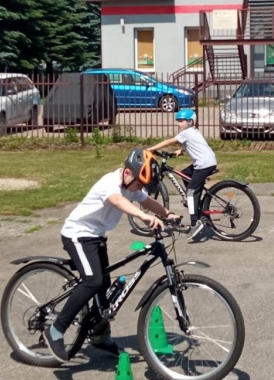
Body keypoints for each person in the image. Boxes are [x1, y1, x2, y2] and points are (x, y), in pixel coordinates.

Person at [44, 148, 179, 362]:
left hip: (96, 237)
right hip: (77, 234)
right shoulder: (110, 182)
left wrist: (167, 213)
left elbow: (147, 201)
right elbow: (117, 201)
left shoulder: (131, 186)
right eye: (139, 184)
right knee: (93, 281)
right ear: (127, 173)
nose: (140, 188)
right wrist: (143, 217)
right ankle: (56, 330)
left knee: (104, 289)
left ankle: (99, 335)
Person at [149, 107, 217, 242]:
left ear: (190, 121)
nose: (178, 123)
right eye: (178, 121)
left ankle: (195, 223)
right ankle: (194, 202)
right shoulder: (193, 132)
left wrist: (150, 149)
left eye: (181, 121)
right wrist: (179, 151)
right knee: (185, 174)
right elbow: (189, 145)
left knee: (191, 191)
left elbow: (169, 141)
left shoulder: (187, 132)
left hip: (203, 165)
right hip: (208, 162)